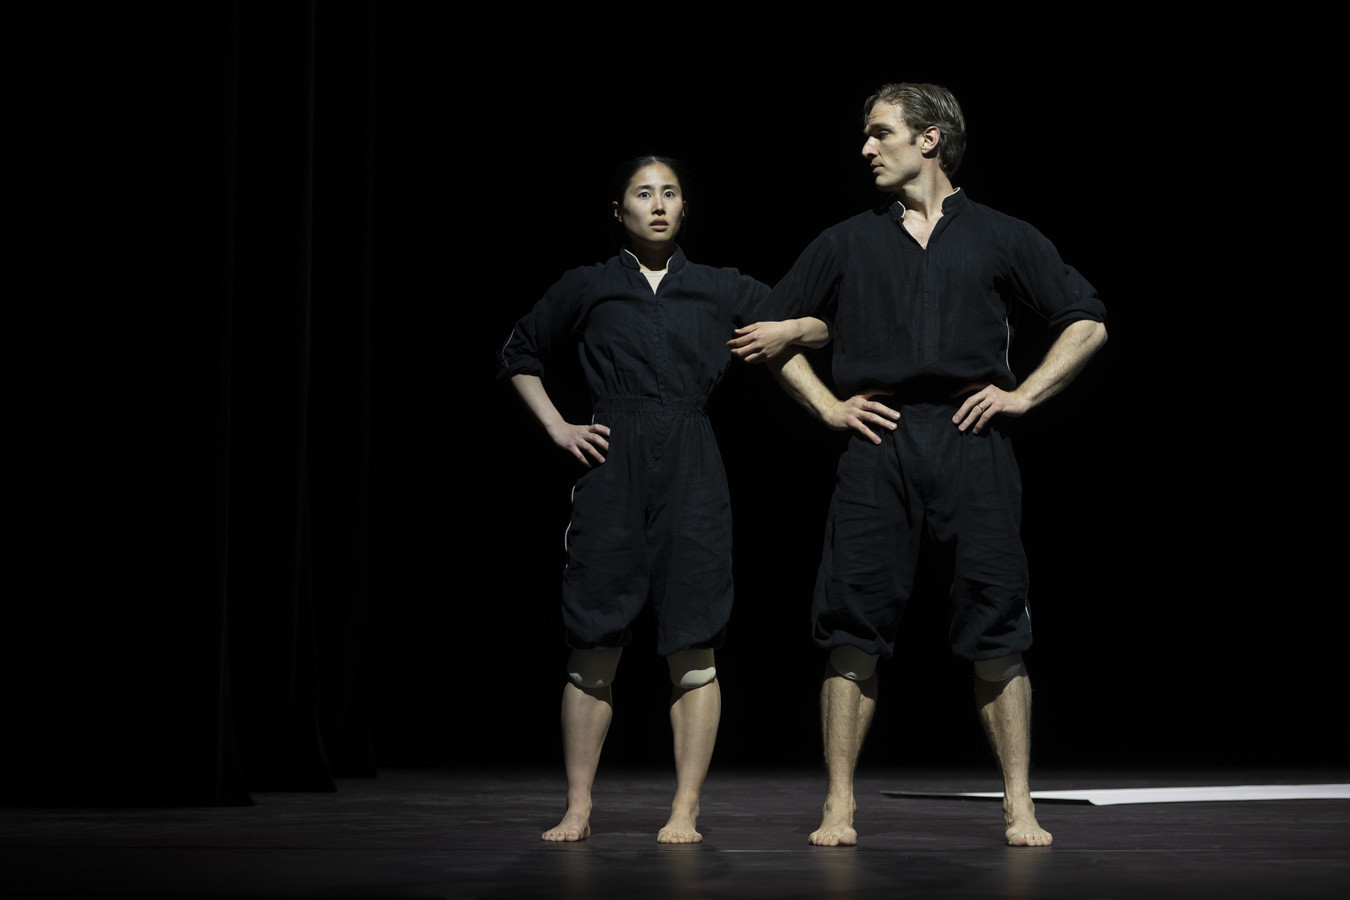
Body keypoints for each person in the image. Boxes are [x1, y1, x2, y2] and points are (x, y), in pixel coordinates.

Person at [734, 83, 1107, 848]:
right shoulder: (846, 241)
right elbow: (767, 333)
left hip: (974, 441)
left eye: (880, 133)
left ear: (929, 139)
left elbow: (1087, 322)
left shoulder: (1001, 234)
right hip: (880, 444)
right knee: (851, 627)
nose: (865, 148)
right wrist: (828, 407)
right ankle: (839, 805)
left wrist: (1023, 396)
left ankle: (1018, 804)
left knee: (998, 624)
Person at [498, 155, 830, 844]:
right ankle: (578, 807)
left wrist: (787, 330)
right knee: (593, 644)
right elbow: (519, 352)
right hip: (611, 463)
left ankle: (685, 809)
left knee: (695, 646)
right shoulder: (590, 285)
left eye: (670, 193)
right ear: (618, 211)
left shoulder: (717, 286)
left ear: (684, 208)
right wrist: (559, 427)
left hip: (691, 461)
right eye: (643, 193)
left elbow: (822, 325)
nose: (657, 204)